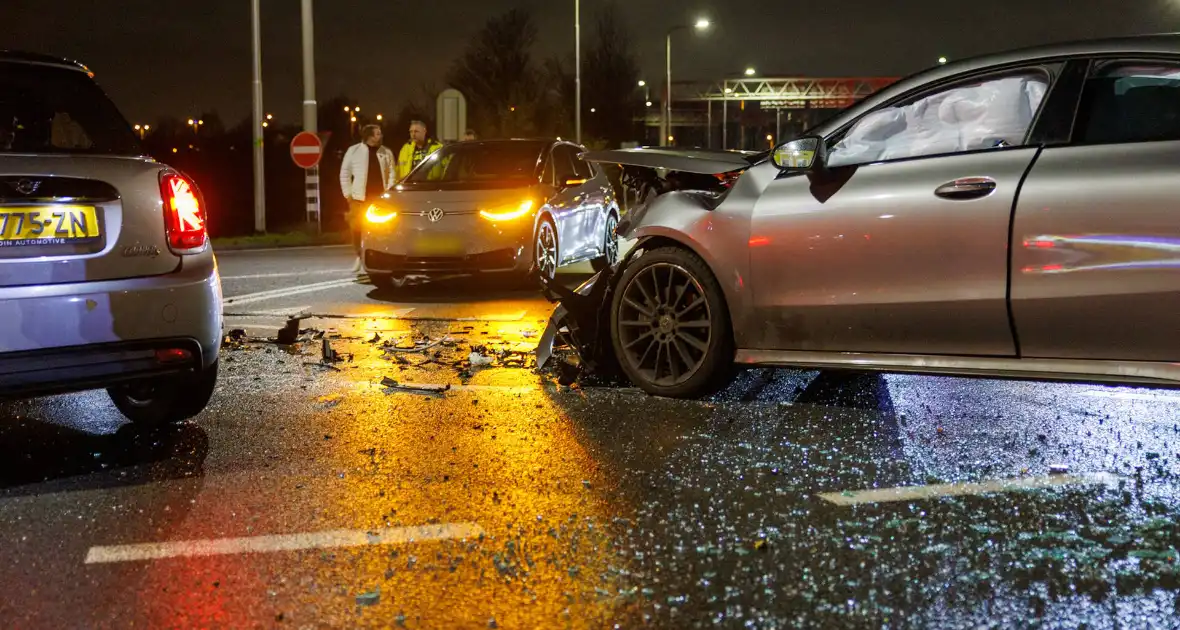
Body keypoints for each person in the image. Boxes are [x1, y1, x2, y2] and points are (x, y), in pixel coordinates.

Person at [339, 124, 396, 272]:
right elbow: (345, 173)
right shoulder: (354, 151)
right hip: (359, 198)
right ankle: (360, 255)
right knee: (357, 229)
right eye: (377, 134)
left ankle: (381, 258)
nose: (381, 136)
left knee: (382, 230)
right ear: (369, 136)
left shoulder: (386, 152)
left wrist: (389, 191)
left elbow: (392, 173)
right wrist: (348, 194)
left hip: (380, 199)